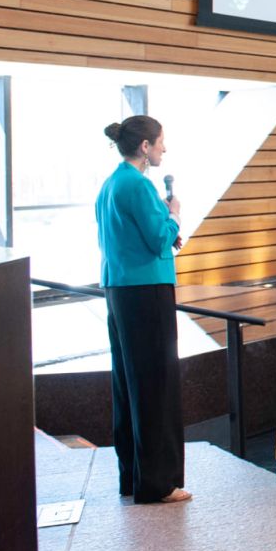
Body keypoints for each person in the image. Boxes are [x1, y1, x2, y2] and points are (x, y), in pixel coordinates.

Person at [96, 115, 190, 505]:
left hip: (119, 289)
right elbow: (158, 240)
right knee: (156, 386)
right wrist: (174, 215)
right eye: (161, 142)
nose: (165, 148)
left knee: (130, 386)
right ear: (145, 147)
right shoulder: (138, 185)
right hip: (146, 289)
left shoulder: (111, 184)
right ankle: (158, 483)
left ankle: (133, 477)